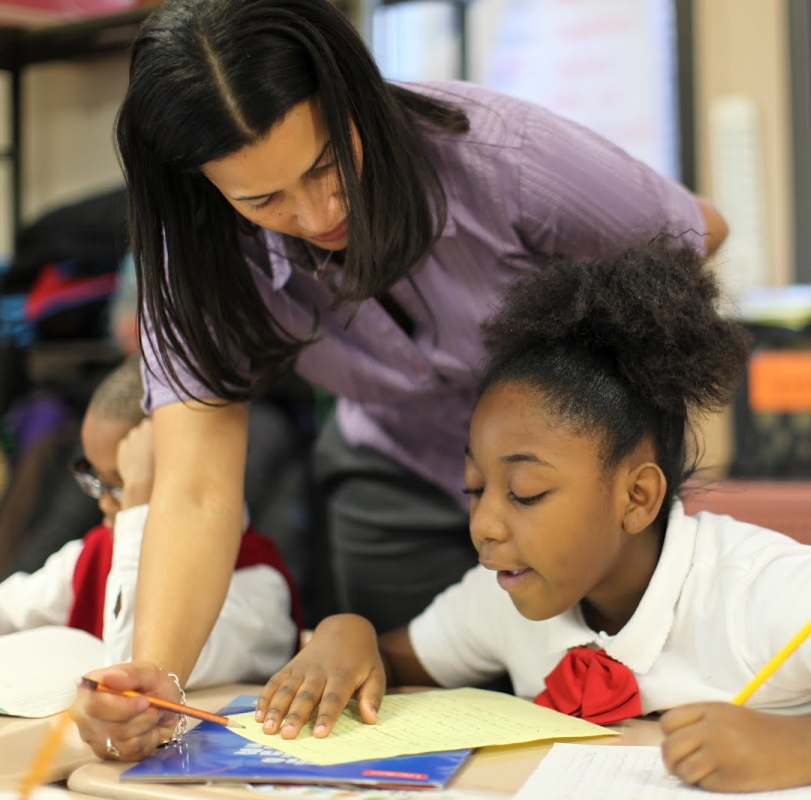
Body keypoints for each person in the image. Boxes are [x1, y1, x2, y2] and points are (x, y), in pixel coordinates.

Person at [73, 0, 727, 761]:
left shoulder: (499, 156)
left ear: (355, 94)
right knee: (402, 725)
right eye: (264, 202)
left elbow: (691, 234)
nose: (319, 213)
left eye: (327, 166)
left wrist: (579, 420)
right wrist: (156, 678)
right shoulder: (199, 255)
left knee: (599, 721)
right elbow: (196, 491)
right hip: (394, 475)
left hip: (559, 488)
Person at [253, 241, 811, 793]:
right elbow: (398, 663)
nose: (486, 525)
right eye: (476, 491)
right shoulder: (504, 594)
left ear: (639, 496)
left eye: (526, 492)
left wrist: (800, 749)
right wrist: (349, 631)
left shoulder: (766, 589)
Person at [0, 357, 299, 695]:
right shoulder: (97, 553)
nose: (103, 502)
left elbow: (136, 668)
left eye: (120, 483)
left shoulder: (259, 587)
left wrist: (140, 504)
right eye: (94, 480)